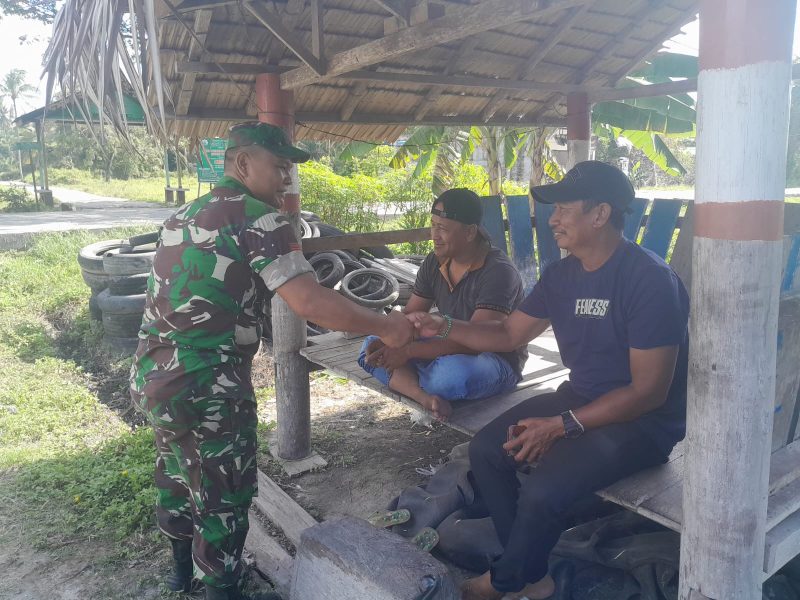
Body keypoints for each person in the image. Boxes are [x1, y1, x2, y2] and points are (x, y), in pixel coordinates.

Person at [129, 122, 413, 600]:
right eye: (279, 167)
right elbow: (311, 302)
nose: (286, 179)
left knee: (177, 472)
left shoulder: (183, 214)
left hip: (153, 374)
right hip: (207, 384)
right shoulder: (261, 219)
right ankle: (223, 590)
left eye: (289, 170)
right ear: (243, 163)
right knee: (224, 494)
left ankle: (180, 575)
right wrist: (386, 325)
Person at [408, 161, 689, 600]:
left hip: (644, 423)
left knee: (543, 490)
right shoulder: (562, 275)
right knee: (487, 450)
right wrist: (442, 325)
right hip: (582, 397)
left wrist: (562, 425)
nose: (553, 219)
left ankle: (505, 581)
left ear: (600, 214)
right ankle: (533, 576)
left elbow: (649, 392)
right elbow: (508, 334)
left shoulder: (649, 280)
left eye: (563, 209)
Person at [358, 188, 527, 421]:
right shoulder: (435, 261)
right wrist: (390, 340)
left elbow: (477, 343)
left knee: (450, 376)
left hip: (494, 360)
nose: (434, 235)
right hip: (444, 346)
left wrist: (407, 352)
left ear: (470, 232)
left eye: (443, 228)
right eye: (433, 225)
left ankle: (412, 379)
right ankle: (424, 397)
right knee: (371, 346)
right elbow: (411, 315)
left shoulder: (498, 271)